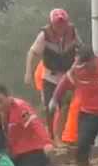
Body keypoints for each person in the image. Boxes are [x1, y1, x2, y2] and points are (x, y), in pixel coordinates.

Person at [24, 8, 82, 145]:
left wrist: (82, 63)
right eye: (57, 23)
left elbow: (82, 48)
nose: (60, 26)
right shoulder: (44, 35)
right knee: (49, 107)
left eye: (63, 23)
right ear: (52, 24)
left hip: (67, 76)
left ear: (67, 22)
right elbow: (31, 53)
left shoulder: (72, 32)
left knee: (65, 105)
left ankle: (58, 136)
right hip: (50, 76)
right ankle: (50, 137)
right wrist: (28, 73)